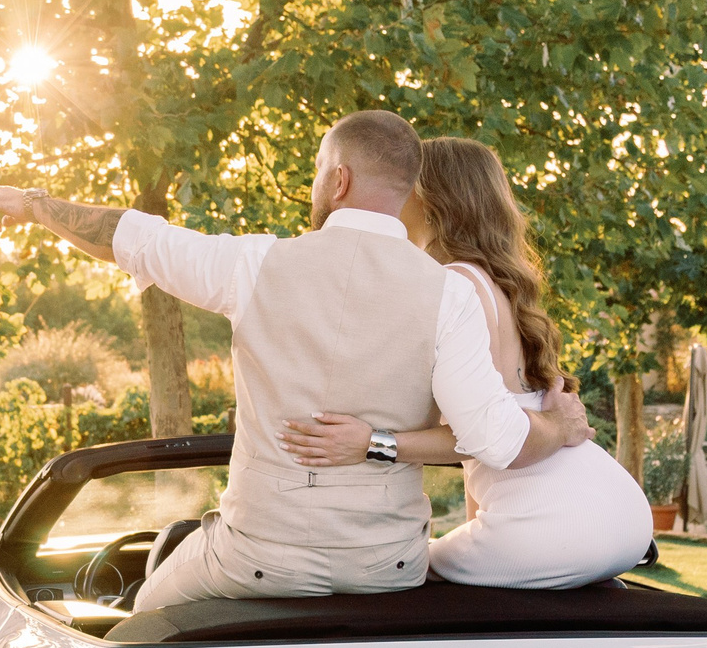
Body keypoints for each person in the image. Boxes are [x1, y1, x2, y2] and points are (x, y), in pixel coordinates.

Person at [0, 111, 594, 611]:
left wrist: (35, 204)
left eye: (319, 171)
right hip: (387, 567)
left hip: (259, 556)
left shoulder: (258, 264)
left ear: (338, 180)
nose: (314, 185)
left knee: (146, 612)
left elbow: (136, 237)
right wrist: (559, 428)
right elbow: (493, 440)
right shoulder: (450, 292)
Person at [277, 136, 652, 589]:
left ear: (429, 196)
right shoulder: (494, 281)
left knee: (392, 569)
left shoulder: (453, 284)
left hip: (553, 529)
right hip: (615, 514)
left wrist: (371, 443)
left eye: (406, 182)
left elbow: (477, 437)